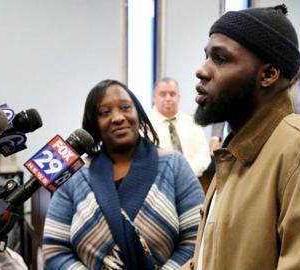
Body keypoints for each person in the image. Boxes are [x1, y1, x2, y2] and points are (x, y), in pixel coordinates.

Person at [185, 5, 300, 270]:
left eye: (221, 59)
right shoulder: (235, 154)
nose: (202, 70)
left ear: (268, 74)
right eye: (206, 57)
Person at [43, 80, 204, 269]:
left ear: (138, 113)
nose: (118, 117)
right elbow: (54, 250)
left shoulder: (174, 165)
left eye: (125, 107)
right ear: (94, 123)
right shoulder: (75, 175)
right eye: (105, 112)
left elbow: (197, 238)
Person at [147, 78, 211, 177]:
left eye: (172, 94)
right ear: (154, 98)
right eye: (163, 94)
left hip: (191, 180)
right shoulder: (145, 125)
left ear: (179, 97)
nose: (168, 98)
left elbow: (203, 153)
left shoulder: (192, 122)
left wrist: (187, 174)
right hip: (157, 184)